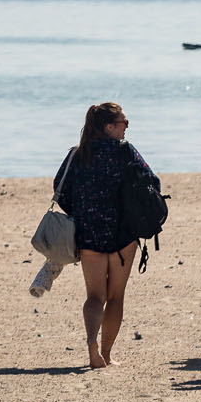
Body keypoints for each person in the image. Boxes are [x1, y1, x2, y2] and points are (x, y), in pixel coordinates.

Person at [54, 102, 157, 370]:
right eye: (123, 122)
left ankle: (92, 344)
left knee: (94, 296)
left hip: (89, 234)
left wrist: (82, 212)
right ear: (109, 127)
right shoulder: (125, 152)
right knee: (116, 297)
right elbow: (151, 182)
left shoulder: (79, 154)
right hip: (123, 234)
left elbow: (59, 188)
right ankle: (107, 355)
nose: (127, 126)